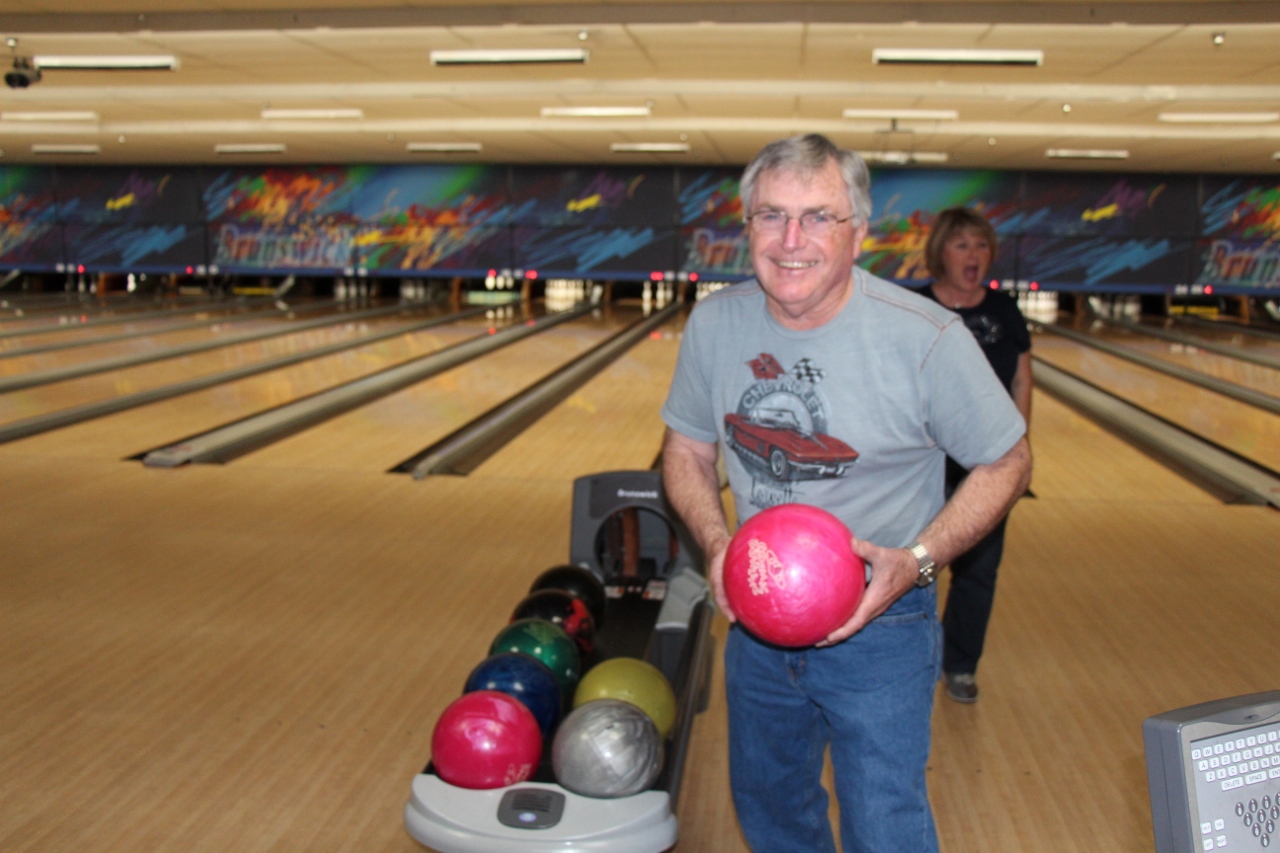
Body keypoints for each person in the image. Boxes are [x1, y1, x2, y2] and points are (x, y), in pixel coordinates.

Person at [659, 134, 1031, 853]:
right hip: (758, 613)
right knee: (769, 804)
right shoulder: (715, 323)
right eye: (771, 216)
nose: (791, 239)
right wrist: (715, 542)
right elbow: (687, 448)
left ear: (858, 231)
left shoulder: (925, 337)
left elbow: (1008, 461)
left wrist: (918, 560)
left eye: (818, 216)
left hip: (882, 617)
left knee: (884, 824)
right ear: (747, 227)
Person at [918, 207, 1033, 704]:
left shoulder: (1004, 310)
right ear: (941, 251)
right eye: (962, 244)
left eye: (981, 245)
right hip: (922, 466)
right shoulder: (916, 306)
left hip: (987, 465)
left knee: (979, 572)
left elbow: (1023, 378)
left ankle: (960, 665)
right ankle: (910, 659)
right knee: (915, 568)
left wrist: (1020, 450)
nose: (974, 255)